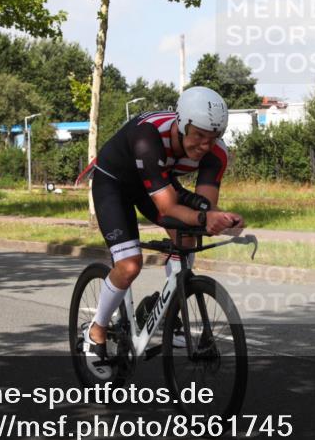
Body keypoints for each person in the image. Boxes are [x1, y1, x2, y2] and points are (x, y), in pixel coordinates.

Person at [84, 86, 245, 360]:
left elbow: (205, 207)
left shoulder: (216, 154)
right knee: (129, 264)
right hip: (114, 183)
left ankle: (166, 311)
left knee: (187, 238)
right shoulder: (149, 137)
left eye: (213, 138)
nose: (205, 146)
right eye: (199, 136)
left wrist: (222, 219)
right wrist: (206, 217)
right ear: (181, 124)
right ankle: (96, 331)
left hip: (153, 182)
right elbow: (168, 207)